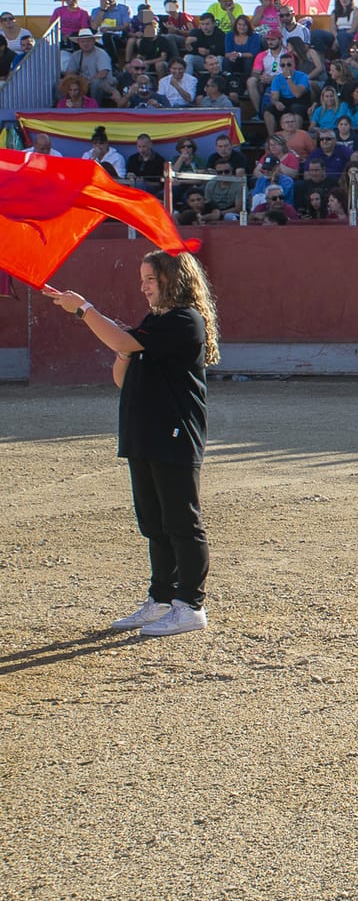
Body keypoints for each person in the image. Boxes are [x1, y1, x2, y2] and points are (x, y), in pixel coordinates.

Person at [39, 251, 220, 637]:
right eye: (142, 279)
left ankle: (191, 605)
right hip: (145, 435)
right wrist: (123, 347)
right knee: (154, 523)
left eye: (150, 279)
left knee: (181, 522)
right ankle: (162, 598)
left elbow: (123, 341)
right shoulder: (155, 322)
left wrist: (84, 309)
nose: (143, 287)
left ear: (172, 279)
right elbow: (122, 377)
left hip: (173, 435)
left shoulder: (183, 320)